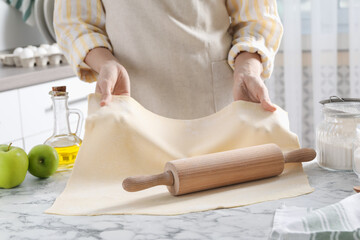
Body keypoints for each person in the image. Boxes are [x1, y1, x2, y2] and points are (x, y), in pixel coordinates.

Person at [54, 0, 283, 119]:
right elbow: (75, 23)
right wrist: (105, 63)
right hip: (130, 104)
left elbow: (256, 18)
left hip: (218, 107)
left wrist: (248, 69)